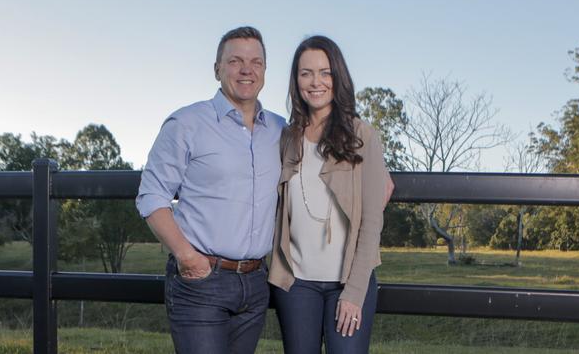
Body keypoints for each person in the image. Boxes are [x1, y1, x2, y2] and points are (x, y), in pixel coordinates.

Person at [135, 26, 286, 354]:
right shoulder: (187, 123)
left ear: (264, 71)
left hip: (255, 284)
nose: (246, 69)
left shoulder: (280, 129)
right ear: (217, 69)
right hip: (201, 282)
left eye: (256, 62)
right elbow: (152, 196)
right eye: (235, 60)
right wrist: (187, 256)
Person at [268, 35, 389, 354]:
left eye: (325, 72)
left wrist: (355, 291)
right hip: (296, 284)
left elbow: (372, 218)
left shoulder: (362, 135)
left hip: (347, 282)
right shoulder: (288, 138)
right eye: (306, 73)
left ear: (338, 77)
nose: (315, 81)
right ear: (296, 80)